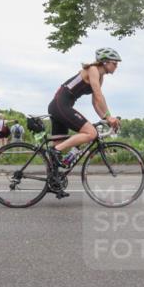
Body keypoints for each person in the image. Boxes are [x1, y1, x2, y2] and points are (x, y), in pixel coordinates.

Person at [45, 48, 122, 197]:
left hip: (61, 106)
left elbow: (95, 102)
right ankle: (55, 151)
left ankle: (54, 184)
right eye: (114, 63)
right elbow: (99, 95)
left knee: (57, 154)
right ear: (105, 62)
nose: (116, 66)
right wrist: (109, 116)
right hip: (60, 105)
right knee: (91, 133)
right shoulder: (93, 69)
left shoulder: (100, 77)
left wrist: (106, 118)